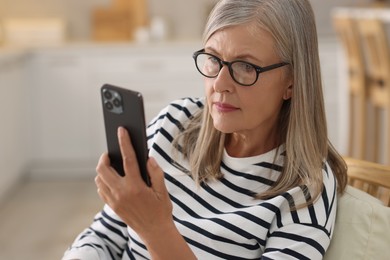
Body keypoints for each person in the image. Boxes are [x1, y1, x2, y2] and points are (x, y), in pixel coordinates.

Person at [63, 0, 348, 259]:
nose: (220, 84)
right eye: (213, 59)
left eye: (246, 66)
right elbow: (104, 237)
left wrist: (156, 229)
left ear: (292, 81)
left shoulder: (307, 192)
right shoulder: (173, 124)